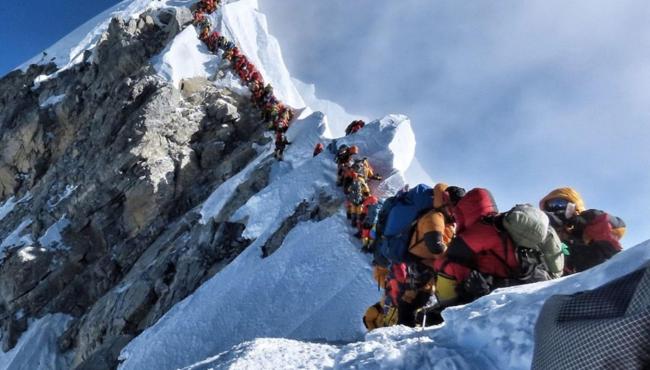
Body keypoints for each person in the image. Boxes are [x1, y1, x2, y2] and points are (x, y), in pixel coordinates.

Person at [540, 187, 626, 274]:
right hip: (565, 283)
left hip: (606, 276)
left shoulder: (589, 227)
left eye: (560, 203)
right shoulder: (545, 236)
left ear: (574, 206)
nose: (555, 208)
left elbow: (617, 227)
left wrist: (591, 218)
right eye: (550, 205)